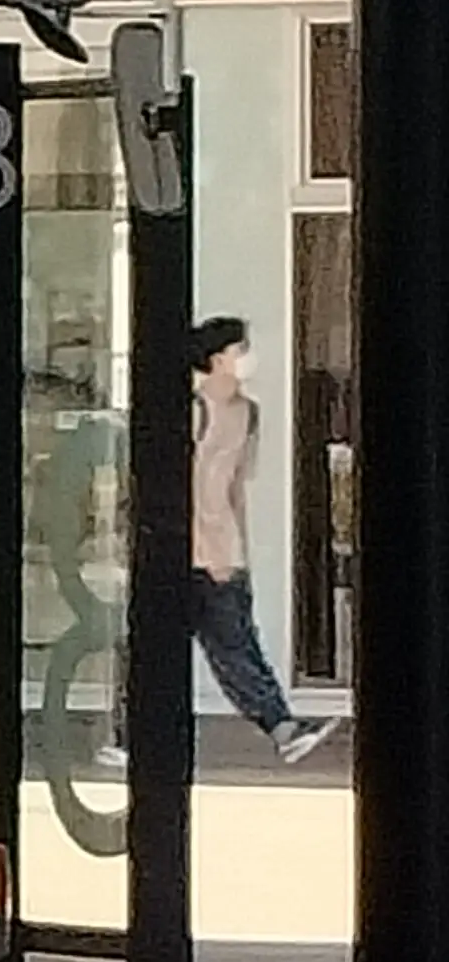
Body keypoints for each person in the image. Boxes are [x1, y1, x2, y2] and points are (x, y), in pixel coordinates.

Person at [188, 317, 331, 763]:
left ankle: (282, 727)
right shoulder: (193, 409)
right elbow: (184, 487)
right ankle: (281, 726)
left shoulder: (247, 412)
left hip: (223, 549)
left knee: (237, 643)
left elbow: (234, 487)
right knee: (215, 645)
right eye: (240, 349)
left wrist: (238, 548)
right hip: (189, 550)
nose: (248, 358)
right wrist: (205, 548)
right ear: (217, 359)